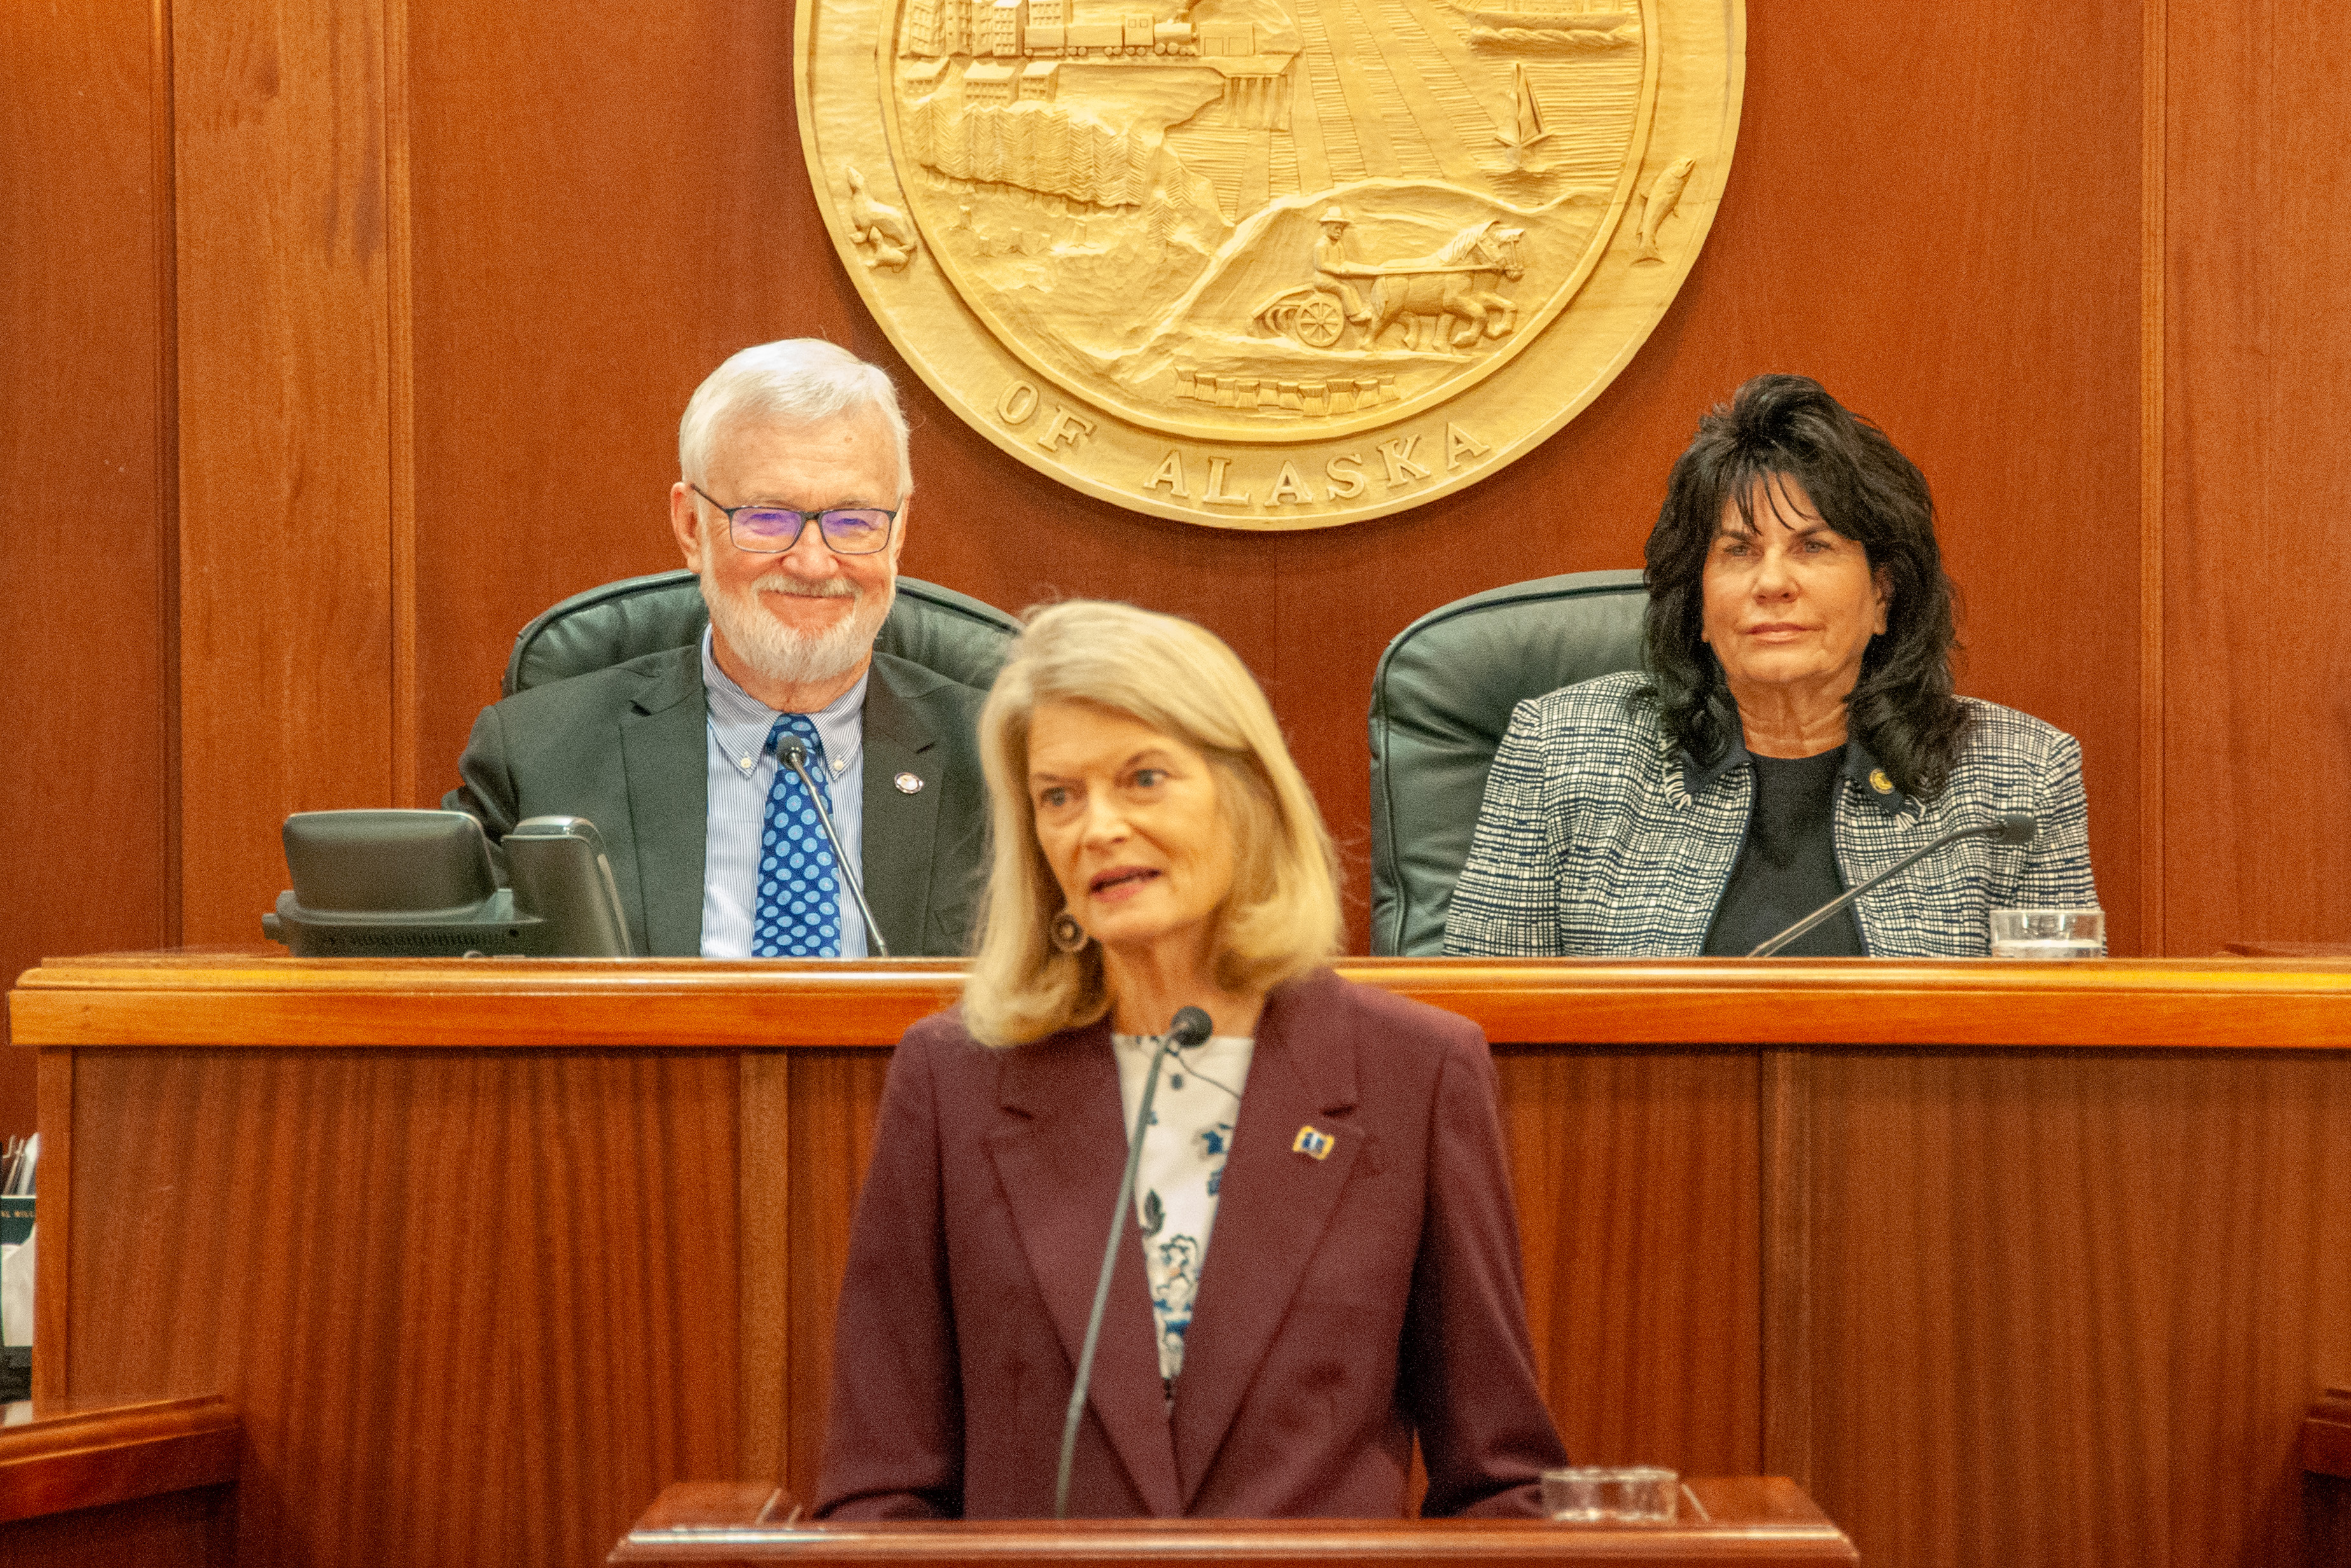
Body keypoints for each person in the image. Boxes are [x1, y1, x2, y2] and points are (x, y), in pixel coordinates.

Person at [816, 600, 1566, 1519]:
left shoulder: (1414, 1072)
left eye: (1141, 779)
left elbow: (1498, 1484)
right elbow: (878, 1491)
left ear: (1242, 793)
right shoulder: (953, 1078)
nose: (1096, 827)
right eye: (1058, 795)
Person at [1445, 373, 2098, 958]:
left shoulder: (2019, 778)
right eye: (1737, 550)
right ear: (1697, 602)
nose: (1772, 582)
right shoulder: (1560, 752)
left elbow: (2057, 1048)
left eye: (1812, 546)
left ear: (1882, 593)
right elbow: (1480, 1031)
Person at [444, 340, 989, 958]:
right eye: (766, 517)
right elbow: (445, 997)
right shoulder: (537, 757)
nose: (812, 562)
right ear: (691, 526)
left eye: (854, 519)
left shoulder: (1005, 764)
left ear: (899, 530)